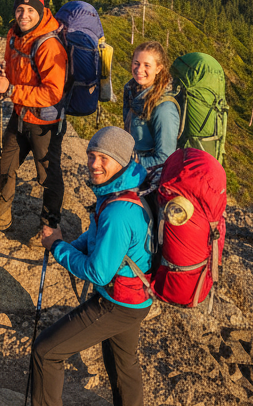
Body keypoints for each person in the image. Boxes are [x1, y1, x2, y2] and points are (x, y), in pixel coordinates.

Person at [32, 126, 153, 406]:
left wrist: (58, 248)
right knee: (123, 367)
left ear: (121, 160)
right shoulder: (128, 187)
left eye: (103, 158)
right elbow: (102, 237)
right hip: (137, 297)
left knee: (46, 352)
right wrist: (73, 246)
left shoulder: (118, 210)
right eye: (91, 155)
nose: (94, 164)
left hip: (117, 302)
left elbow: (99, 272)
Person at [0, 0, 68, 240]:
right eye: (20, 9)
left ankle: (49, 228)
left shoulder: (49, 45)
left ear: (40, 13)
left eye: (31, 11)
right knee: (4, 165)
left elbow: (53, 93)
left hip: (45, 123)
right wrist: (1, 78)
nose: (24, 15)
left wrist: (12, 90)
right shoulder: (14, 35)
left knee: (48, 176)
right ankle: (0, 216)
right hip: (20, 116)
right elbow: (10, 67)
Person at [122, 40, 181, 171]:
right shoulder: (131, 90)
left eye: (147, 65)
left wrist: (128, 165)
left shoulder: (164, 108)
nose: (139, 69)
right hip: (133, 169)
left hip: (149, 179)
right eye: (136, 63)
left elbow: (164, 159)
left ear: (158, 69)